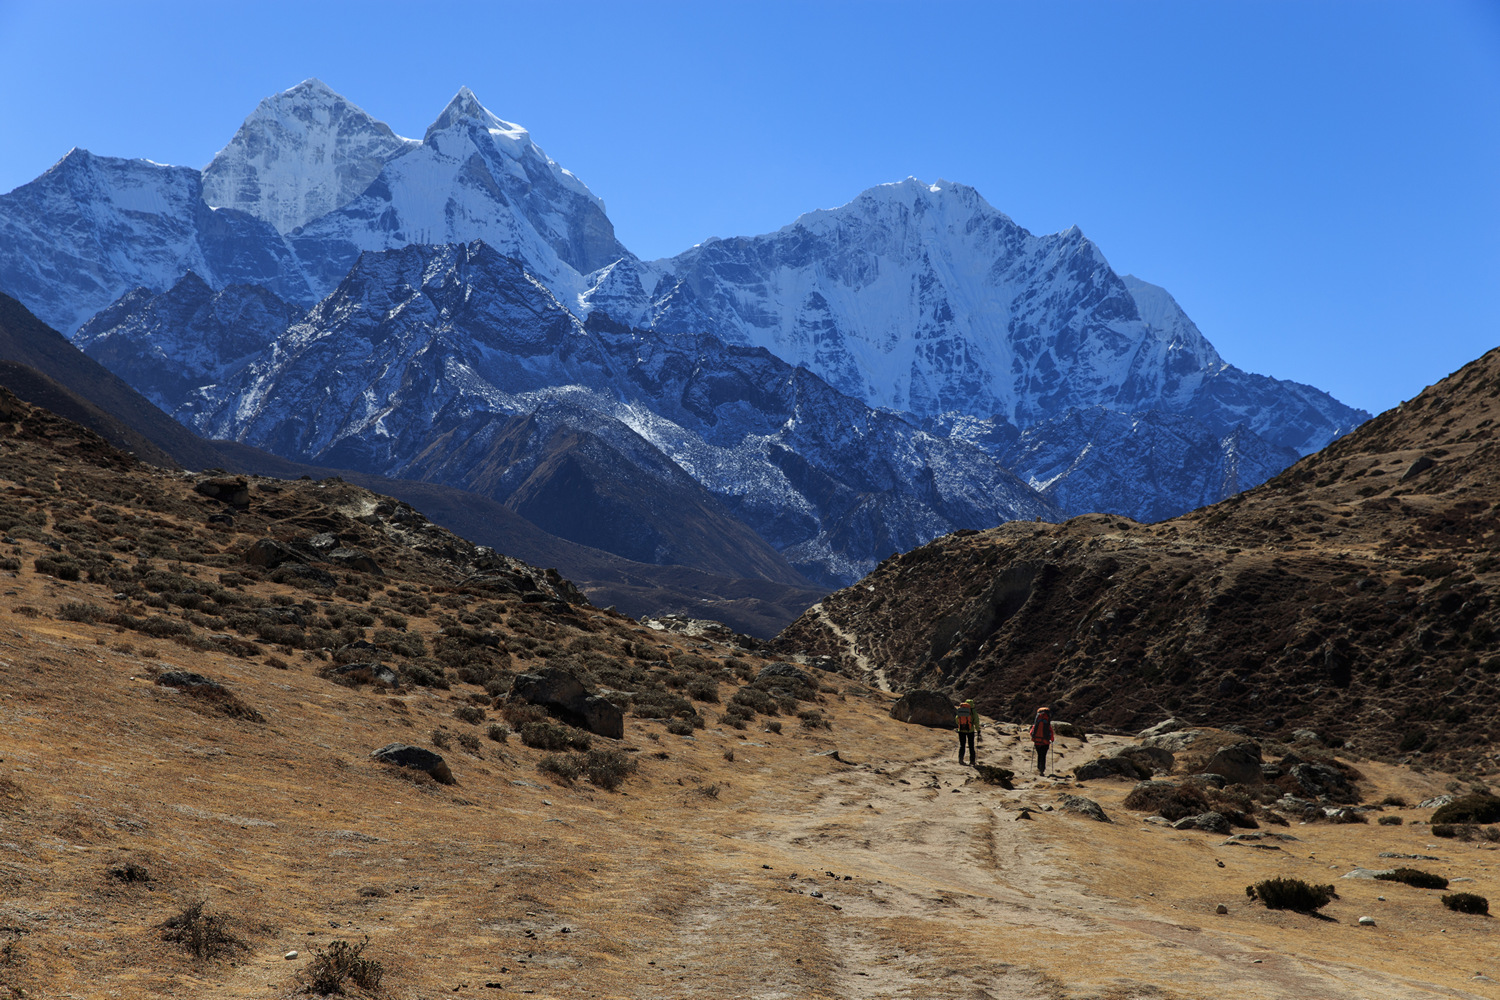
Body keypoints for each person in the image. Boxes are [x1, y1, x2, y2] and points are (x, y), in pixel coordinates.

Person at [954, 699, 980, 765]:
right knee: (971, 746)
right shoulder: (973, 711)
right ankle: (972, 761)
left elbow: (957, 719)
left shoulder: (961, 709)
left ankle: (960, 759)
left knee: (962, 745)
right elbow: (976, 721)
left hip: (961, 730)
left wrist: (961, 725)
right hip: (970, 731)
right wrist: (978, 730)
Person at [1029, 706, 1054, 775]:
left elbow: (1031, 733)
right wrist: (1051, 740)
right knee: (1043, 756)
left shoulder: (1036, 724)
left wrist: (1034, 738)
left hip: (1037, 742)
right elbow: (1051, 733)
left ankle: (1038, 768)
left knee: (1039, 755)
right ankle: (1042, 770)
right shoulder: (1047, 724)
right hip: (1045, 742)